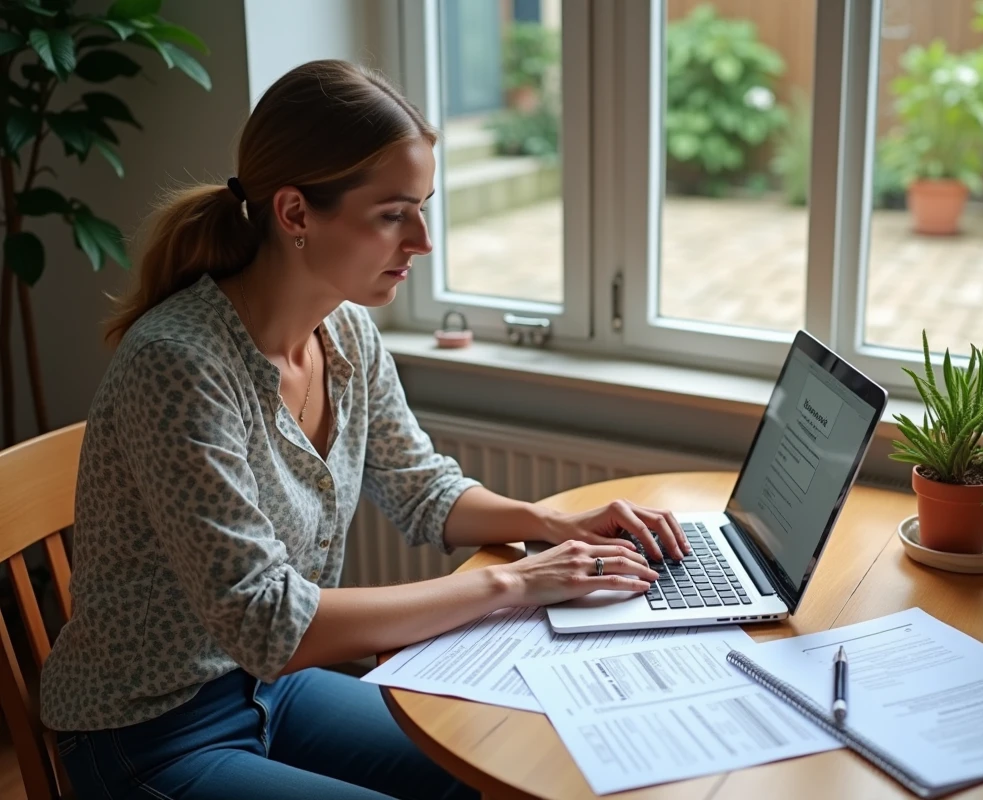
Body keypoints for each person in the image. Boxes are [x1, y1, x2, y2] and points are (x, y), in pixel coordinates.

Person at [40, 59, 692, 800]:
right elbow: (267, 620)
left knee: (498, 770)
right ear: (295, 214)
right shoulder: (179, 366)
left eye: (423, 208)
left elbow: (421, 487)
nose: (423, 241)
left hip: (272, 687)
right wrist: (515, 581)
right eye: (392, 215)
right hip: (149, 732)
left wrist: (547, 522)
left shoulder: (345, 332)